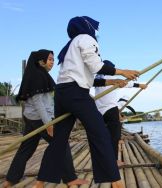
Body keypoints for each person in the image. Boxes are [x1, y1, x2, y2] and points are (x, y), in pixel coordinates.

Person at [34, 16, 139, 188]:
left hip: (62, 94)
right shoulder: (86, 38)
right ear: (86, 27)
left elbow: (86, 75)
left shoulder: (70, 46)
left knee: (59, 140)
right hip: (77, 94)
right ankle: (115, 181)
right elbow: (96, 66)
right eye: (95, 29)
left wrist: (112, 82)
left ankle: (39, 183)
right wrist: (122, 72)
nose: (96, 33)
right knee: (100, 134)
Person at [3, 50, 85, 188]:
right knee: (62, 145)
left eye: (53, 60)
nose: (52, 62)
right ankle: (70, 179)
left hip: (31, 118)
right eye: (50, 59)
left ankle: (11, 180)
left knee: (26, 149)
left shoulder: (39, 75)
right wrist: (49, 124)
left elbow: (46, 102)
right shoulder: (38, 76)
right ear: (41, 61)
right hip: (39, 119)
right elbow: (39, 103)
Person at [94, 60, 147, 166]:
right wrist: (141, 85)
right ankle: (114, 160)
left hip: (99, 111)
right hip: (110, 109)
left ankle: (103, 158)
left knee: (103, 135)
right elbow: (128, 84)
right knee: (115, 136)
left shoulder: (97, 78)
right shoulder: (111, 78)